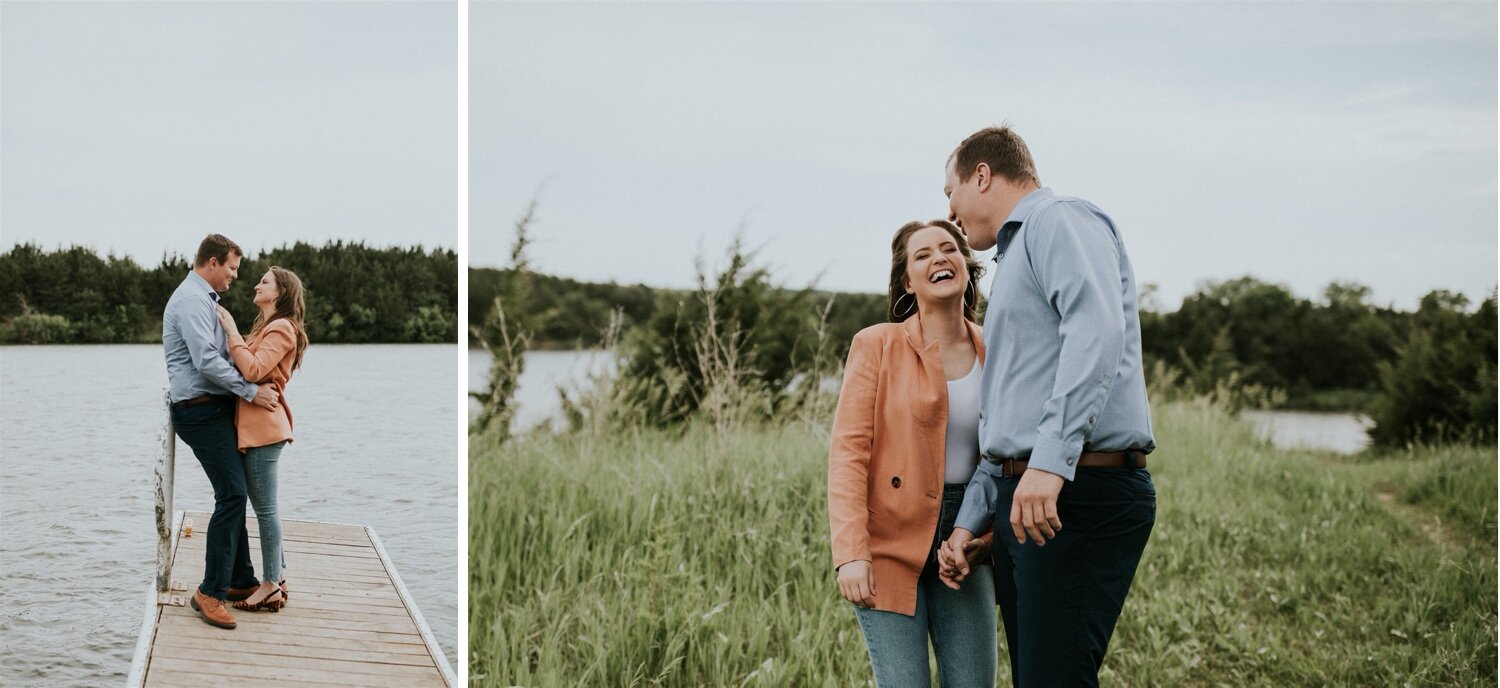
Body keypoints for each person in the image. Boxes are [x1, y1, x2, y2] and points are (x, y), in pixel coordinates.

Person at [937, 126, 1157, 687]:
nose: (952, 215)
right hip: (1031, 497)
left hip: (1077, 493)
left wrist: (1050, 464)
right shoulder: (1012, 261)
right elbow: (1006, 416)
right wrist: (971, 525)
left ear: (981, 174)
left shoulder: (1058, 220)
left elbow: (1097, 330)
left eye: (950, 193)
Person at [827, 220, 998, 687]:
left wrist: (987, 541)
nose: (939, 258)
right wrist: (850, 554)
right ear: (907, 280)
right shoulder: (876, 344)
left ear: (967, 265)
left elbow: (1005, 457)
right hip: (888, 538)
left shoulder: (996, 347)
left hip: (963, 540)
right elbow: (848, 454)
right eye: (922, 254)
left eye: (949, 249)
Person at [163, 233, 281, 629]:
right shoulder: (192, 300)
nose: (234, 276)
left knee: (235, 491)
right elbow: (206, 363)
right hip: (199, 412)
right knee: (232, 492)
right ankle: (209, 592)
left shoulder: (205, 299)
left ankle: (239, 580)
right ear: (211, 262)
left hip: (214, 408)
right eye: (231, 268)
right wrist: (250, 390)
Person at [216, 265, 308, 613]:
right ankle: (278, 578)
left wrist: (231, 331)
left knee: (266, 510)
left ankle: (270, 585)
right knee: (264, 508)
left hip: (264, 429)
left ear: (281, 292)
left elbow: (253, 370)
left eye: (264, 282)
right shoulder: (268, 327)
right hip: (256, 427)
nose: (256, 285)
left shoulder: (282, 327)